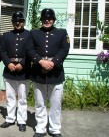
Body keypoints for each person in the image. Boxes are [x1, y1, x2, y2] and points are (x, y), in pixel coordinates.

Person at [30, 8, 70, 137]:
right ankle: (40, 128)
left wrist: (53, 62)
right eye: (45, 19)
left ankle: (54, 129)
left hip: (56, 73)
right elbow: (29, 50)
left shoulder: (62, 33)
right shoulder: (34, 33)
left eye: (50, 18)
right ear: (41, 20)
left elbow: (64, 49)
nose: (47, 20)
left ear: (53, 20)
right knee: (40, 103)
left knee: (56, 104)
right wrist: (40, 61)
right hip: (38, 73)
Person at [0, 11, 34, 132]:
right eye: (15, 21)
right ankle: (10, 118)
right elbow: (2, 51)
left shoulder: (29, 35)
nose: (18, 23)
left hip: (23, 71)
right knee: (10, 97)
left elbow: (32, 52)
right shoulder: (6, 35)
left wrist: (22, 64)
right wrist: (8, 63)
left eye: (20, 21)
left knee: (22, 98)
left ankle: (22, 120)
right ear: (12, 22)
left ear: (23, 22)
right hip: (9, 70)